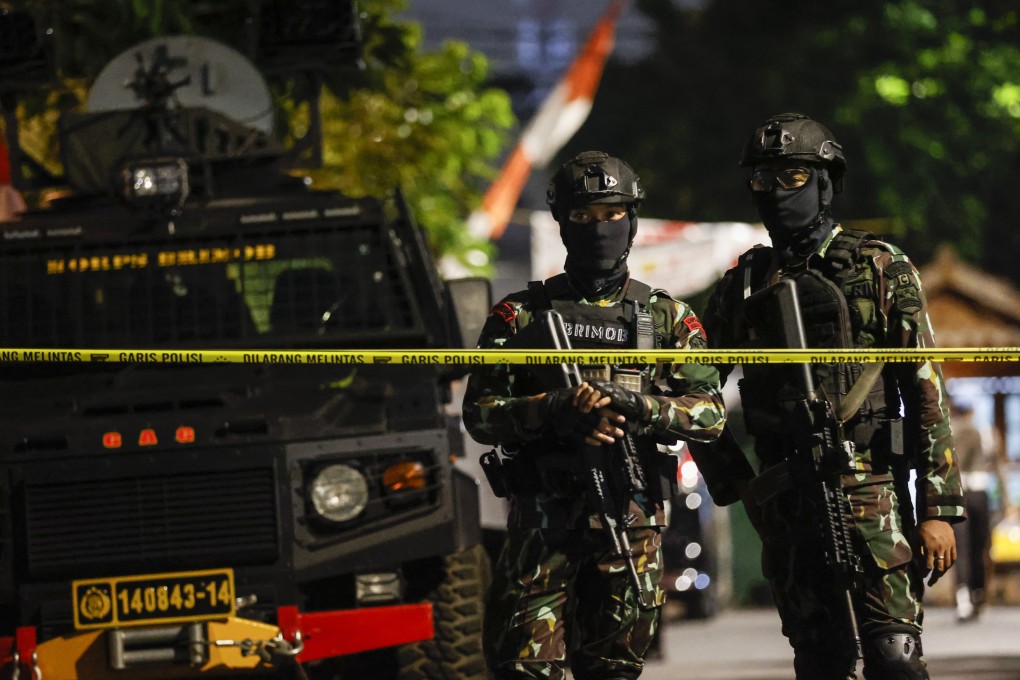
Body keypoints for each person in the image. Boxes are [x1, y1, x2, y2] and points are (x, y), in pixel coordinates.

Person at [694, 113, 966, 680]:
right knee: (821, 662)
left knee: (895, 657)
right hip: (786, 502)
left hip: (870, 494)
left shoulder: (879, 268)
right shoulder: (742, 286)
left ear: (824, 181)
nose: (775, 191)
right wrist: (738, 484)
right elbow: (692, 393)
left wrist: (939, 508)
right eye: (763, 179)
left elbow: (924, 388)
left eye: (792, 176)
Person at [462, 150, 726, 680]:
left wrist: (638, 405)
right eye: (583, 216)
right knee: (523, 667)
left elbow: (709, 415)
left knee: (614, 669)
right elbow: (481, 414)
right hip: (543, 523)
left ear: (631, 220)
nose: (598, 228)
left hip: (630, 521)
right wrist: (550, 408)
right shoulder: (520, 316)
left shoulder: (666, 316)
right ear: (562, 223)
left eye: (611, 214)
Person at [950, 400, 1010, 622]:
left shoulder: (961, 432)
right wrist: (1005, 500)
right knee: (971, 548)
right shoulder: (981, 432)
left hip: (969, 493)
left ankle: (973, 595)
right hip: (973, 492)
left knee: (974, 547)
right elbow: (999, 468)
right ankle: (970, 597)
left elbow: (997, 466)